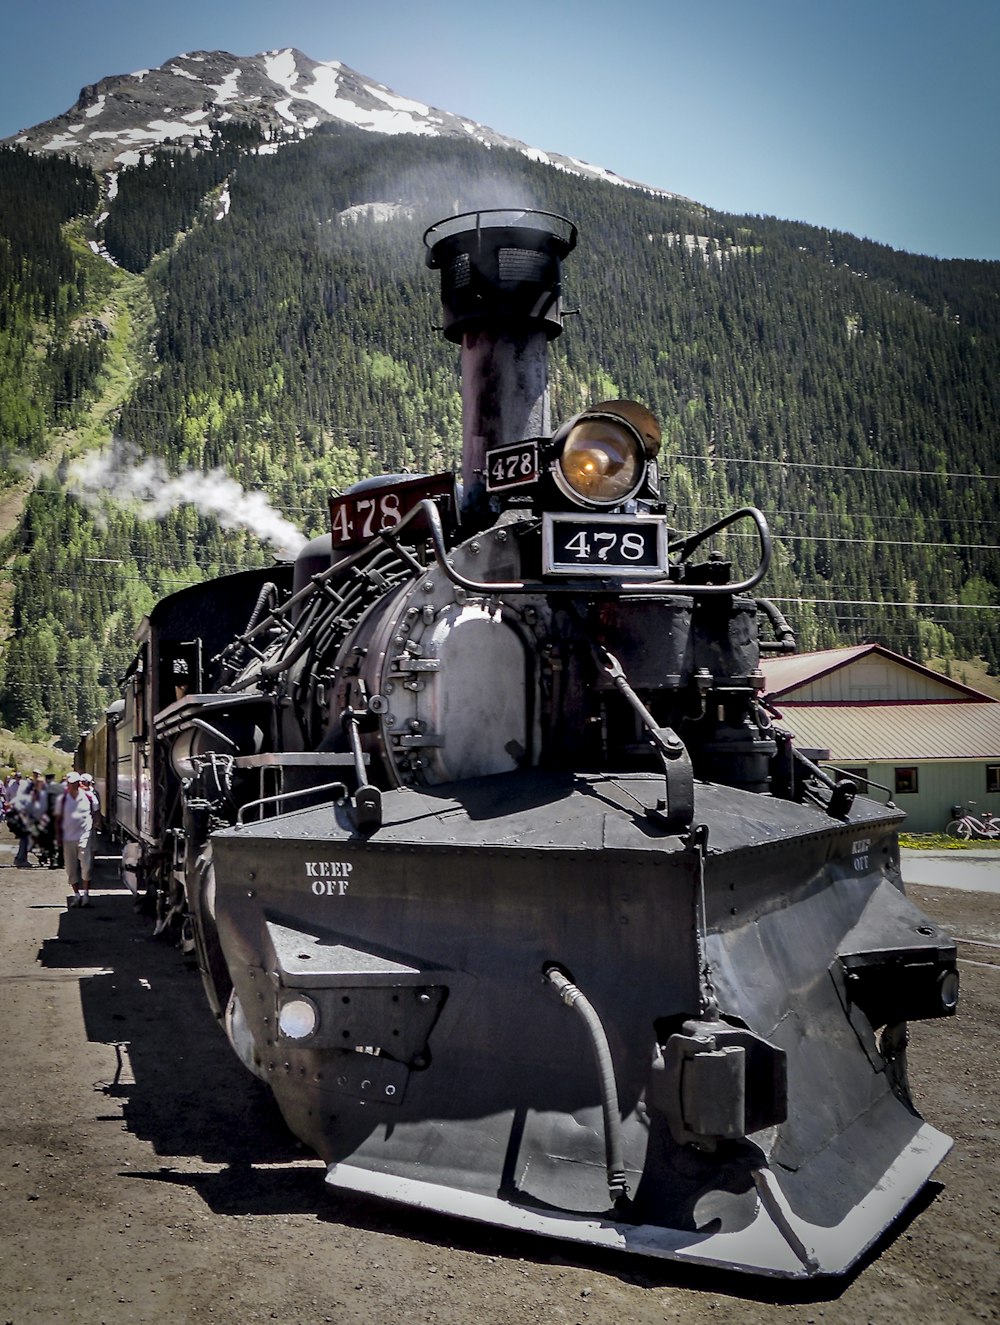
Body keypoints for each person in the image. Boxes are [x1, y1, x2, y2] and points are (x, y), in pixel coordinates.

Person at [55, 772, 97, 906]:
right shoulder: (62, 798)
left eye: (75, 783)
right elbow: (57, 818)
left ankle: (86, 894)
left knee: (86, 865)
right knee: (70, 868)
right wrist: (58, 836)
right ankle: (76, 894)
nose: (73, 785)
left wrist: (95, 826)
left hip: (84, 835)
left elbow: (96, 811)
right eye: (71, 783)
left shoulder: (89, 796)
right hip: (68, 837)